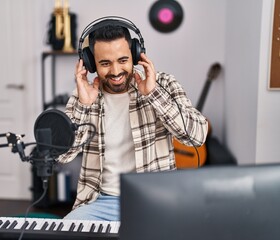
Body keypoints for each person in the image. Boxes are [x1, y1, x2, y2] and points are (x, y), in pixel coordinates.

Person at [56, 16, 208, 221]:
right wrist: (83, 106)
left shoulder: (163, 84)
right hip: (100, 202)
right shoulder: (84, 94)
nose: (116, 71)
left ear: (136, 55)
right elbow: (62, 155)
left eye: (123, 60)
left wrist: (153, 94)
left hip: (153, 201)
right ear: (91, 64)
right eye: (105, 63)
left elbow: (197, 137)